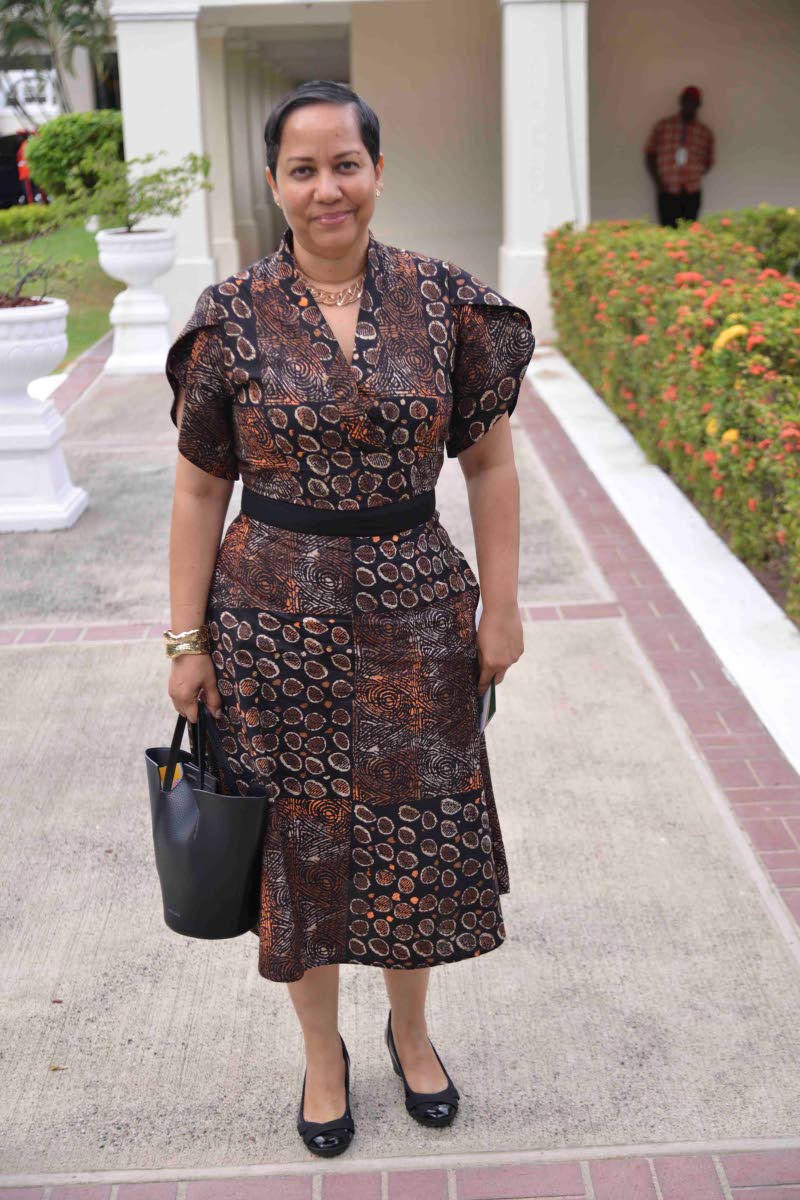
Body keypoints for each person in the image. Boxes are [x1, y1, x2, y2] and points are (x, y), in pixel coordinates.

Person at [163, 79, 535, 1159]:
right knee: (303, 846)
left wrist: (502, 608)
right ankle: (320, 1054)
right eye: (303, 169)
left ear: (376, 171)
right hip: (269, 625)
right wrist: (186, 640)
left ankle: (409, 1034)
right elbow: (199, 488)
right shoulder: (231, 316)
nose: (327, 188)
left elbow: (490, 464)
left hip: (417, 617)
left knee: (416, 833)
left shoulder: (444, 302)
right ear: (273, 184)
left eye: (345, 164)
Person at [644, 85, 714, 227]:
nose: (689, 104)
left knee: (689, 232)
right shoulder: (663, 126)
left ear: (699, 104)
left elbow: (708, 162)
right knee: (667, 233)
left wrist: (693, 175)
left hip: (692, 192)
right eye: (687, 100)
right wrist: (659, 184)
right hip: (667, 189)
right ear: (681, 101)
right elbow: (650, 154)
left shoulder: (705, 133)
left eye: (693, 101)